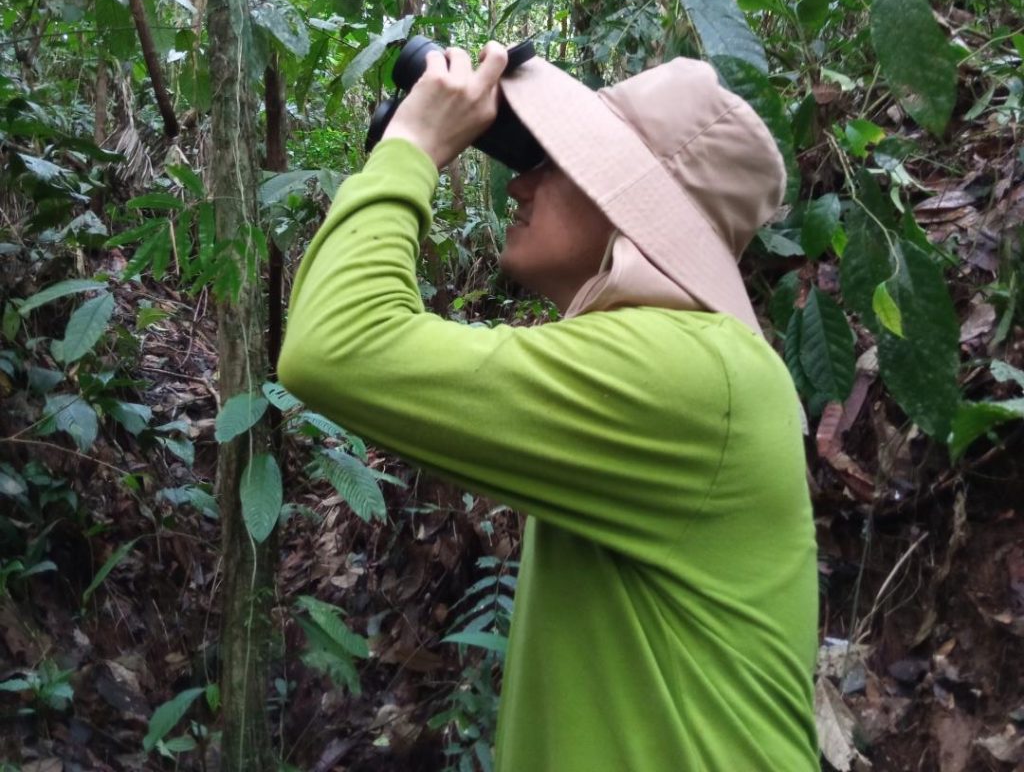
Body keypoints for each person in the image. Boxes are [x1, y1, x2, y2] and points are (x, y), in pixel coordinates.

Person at [278, 42, 819, 771]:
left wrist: (412, 145)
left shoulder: (691, 375)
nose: (517, 186)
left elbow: (337, 344)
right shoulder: (689, 366)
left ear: (634, 210)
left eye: (555, 164)